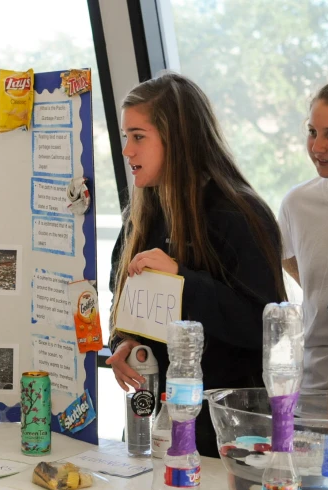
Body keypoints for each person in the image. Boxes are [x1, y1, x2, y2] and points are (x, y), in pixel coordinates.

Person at [105, 72, 286, 458]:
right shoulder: (141, 216)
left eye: (138, 137)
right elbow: (119, 304)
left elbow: (264, 326)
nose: (127, 151)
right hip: (153, 422)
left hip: (224, 433)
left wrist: (181, 282)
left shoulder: (239, 214)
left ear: (178, 139)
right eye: (125, 137)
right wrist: (125, 344)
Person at [279, 80, 328, 390]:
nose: (318, 147)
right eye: (312, 132)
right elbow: (300, 273)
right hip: (312, 387)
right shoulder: (297, 203)